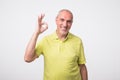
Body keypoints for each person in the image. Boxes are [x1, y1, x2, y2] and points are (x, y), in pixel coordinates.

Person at [24, 9, 88, 80]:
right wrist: (36, 33)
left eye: (68, 21)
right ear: (56, 20)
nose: (65, 24)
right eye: (62, 20)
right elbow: (27, 58)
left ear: (71, 23)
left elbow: (82, 67)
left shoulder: (77, 41)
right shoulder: (46, 40)